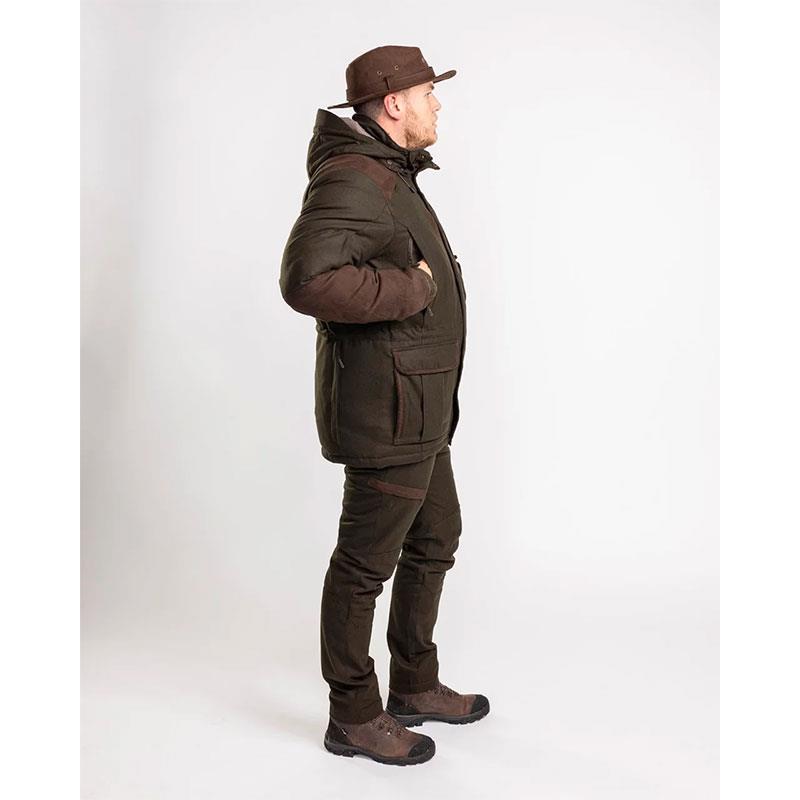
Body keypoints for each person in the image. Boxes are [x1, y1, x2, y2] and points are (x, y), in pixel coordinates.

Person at [279, 44, 489, 766]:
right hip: (389, 413)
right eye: (429, 93)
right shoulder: (355, 177)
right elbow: (307, 279)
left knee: (435, 538)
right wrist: (415, 288)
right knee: (364, 566)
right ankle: (352, 715)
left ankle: (415, 684)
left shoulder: (388, 171)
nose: (438, 104)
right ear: (395, 102)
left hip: (420, 409)